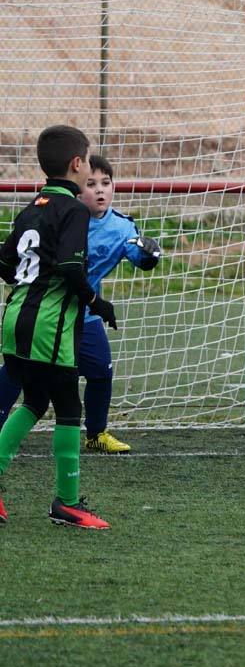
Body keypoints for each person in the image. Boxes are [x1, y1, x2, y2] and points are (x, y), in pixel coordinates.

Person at [0, 154, 160, 453]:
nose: (100, 190)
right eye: (91, 184)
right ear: (76, 187)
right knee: (19, 372)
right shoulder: (64, 215)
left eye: (106, 183)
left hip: (83, 314)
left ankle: (96, 434)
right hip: (45, 310)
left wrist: (149, 254)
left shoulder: (121, 227)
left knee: (100, 368)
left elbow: (138, 255)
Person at [0, 126, 118, 529]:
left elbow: (5, 263)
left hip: (15, 319)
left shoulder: (33, 207)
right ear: (76, 164)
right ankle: (67, 504)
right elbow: (69, 266)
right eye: (87, 160)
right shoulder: (74, 210)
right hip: (49, 327)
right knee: (69, 408)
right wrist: (96, 303)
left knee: (33, 401)